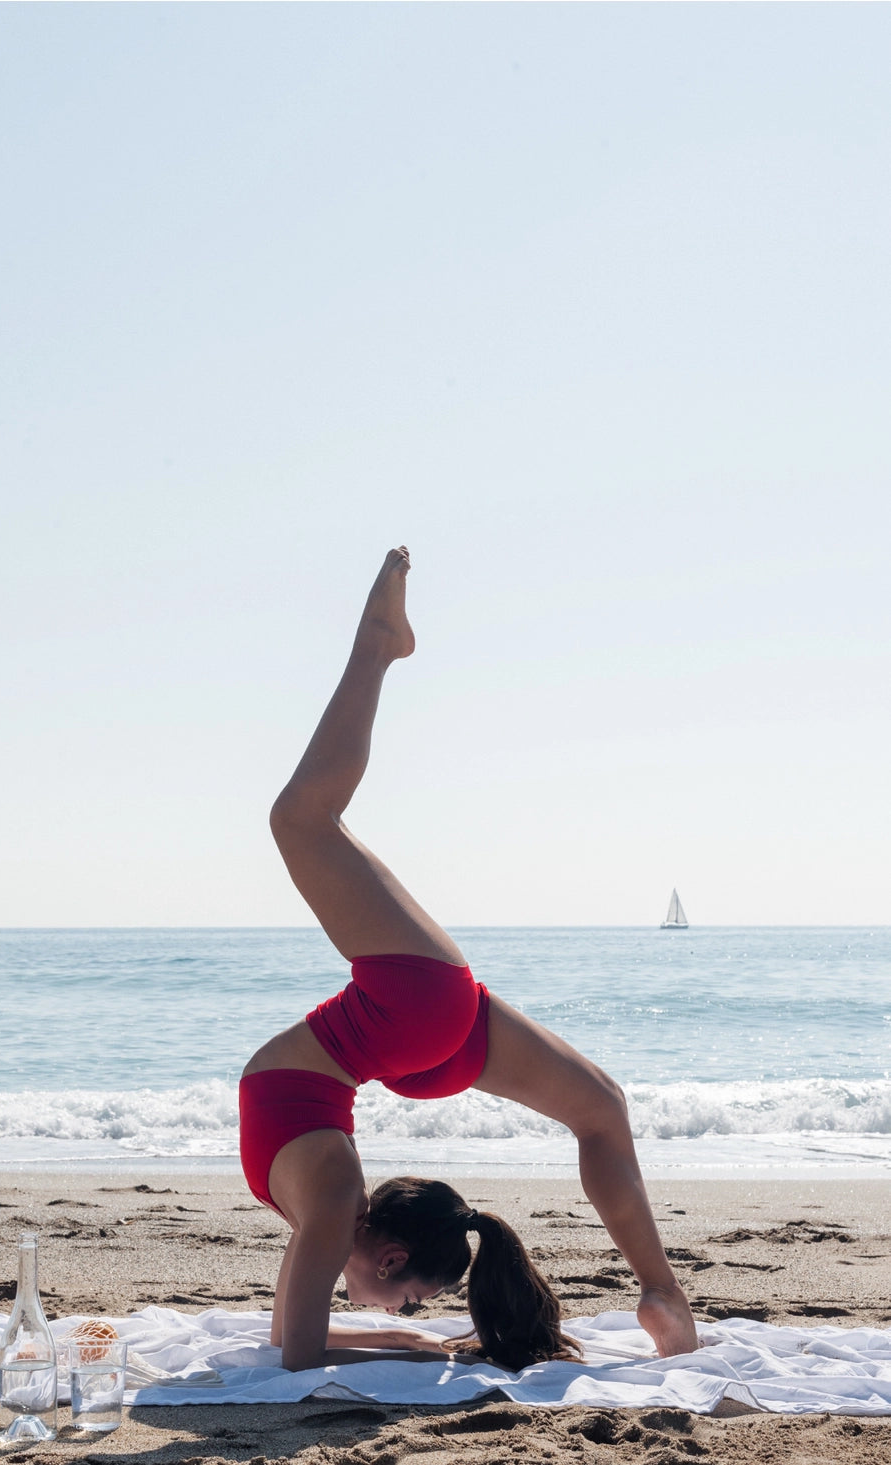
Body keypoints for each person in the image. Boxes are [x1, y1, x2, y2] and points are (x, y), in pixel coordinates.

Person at [240, 547, 698, 1373]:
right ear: (389, 1255)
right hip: (405, 1025)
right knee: (299, 822)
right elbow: (296, 1347)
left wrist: (413, 1343)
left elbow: (290, 1344)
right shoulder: (337, 1204)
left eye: (412, 1305)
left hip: (405, 1033)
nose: (403, 1311)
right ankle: (660, 1288)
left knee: (602, 1107)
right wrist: (415, 1344)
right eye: (412, 1301)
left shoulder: (335, 1206)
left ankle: (378, 646)